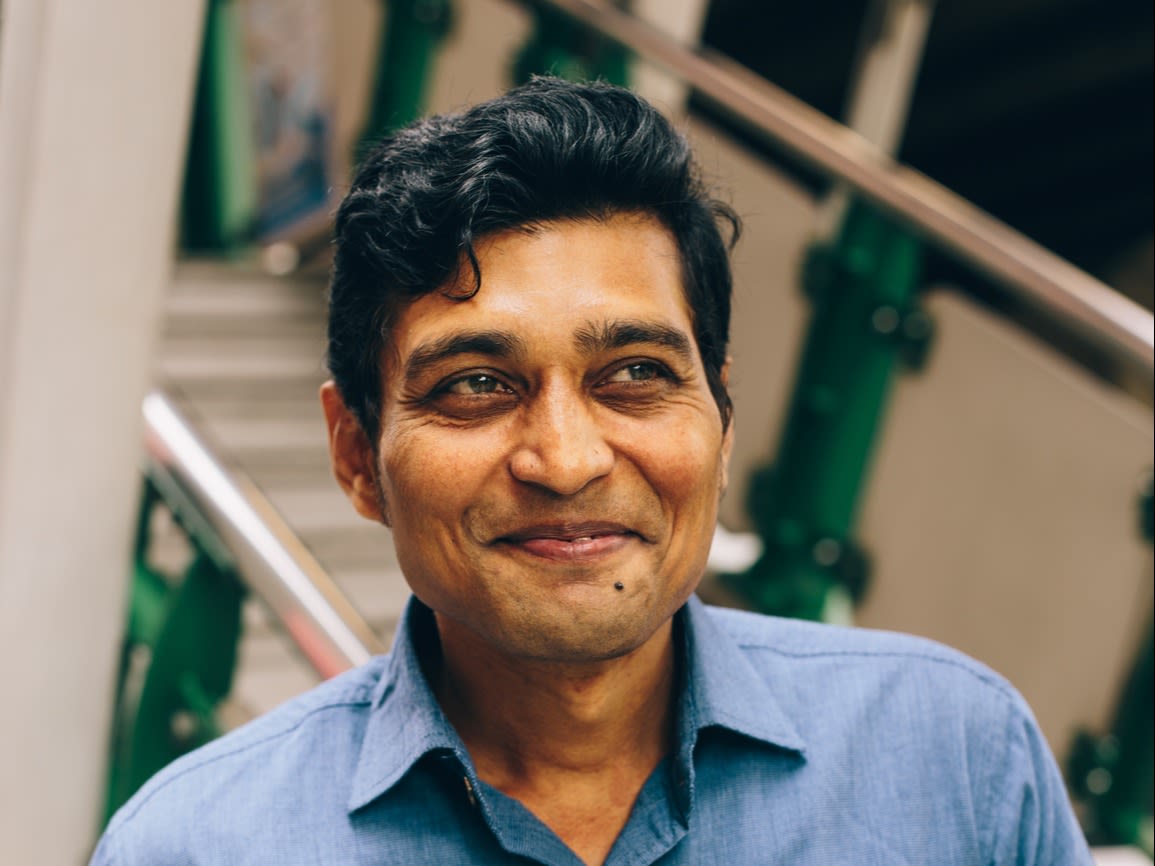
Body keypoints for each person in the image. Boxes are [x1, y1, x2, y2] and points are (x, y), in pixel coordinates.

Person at [91, 78, 1093, 866]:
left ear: (724, 416)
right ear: (357, 454)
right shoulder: (195, 846)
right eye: (478, 383)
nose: (566, 459)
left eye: (637, 375)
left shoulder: (958, 763)